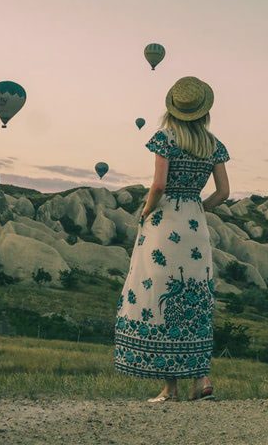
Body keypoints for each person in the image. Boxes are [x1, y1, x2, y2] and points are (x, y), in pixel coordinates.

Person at [113, 76, 231, 402]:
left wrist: (145, 211)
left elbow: (159, 185)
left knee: (161, 295)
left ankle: (170, 388)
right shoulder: (214, 145)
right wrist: (199, 207)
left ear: (172, 109)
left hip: (164, 225)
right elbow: (224, 192)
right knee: (196, 298)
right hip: (195, 227)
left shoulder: (165, 138)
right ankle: (202, 380)